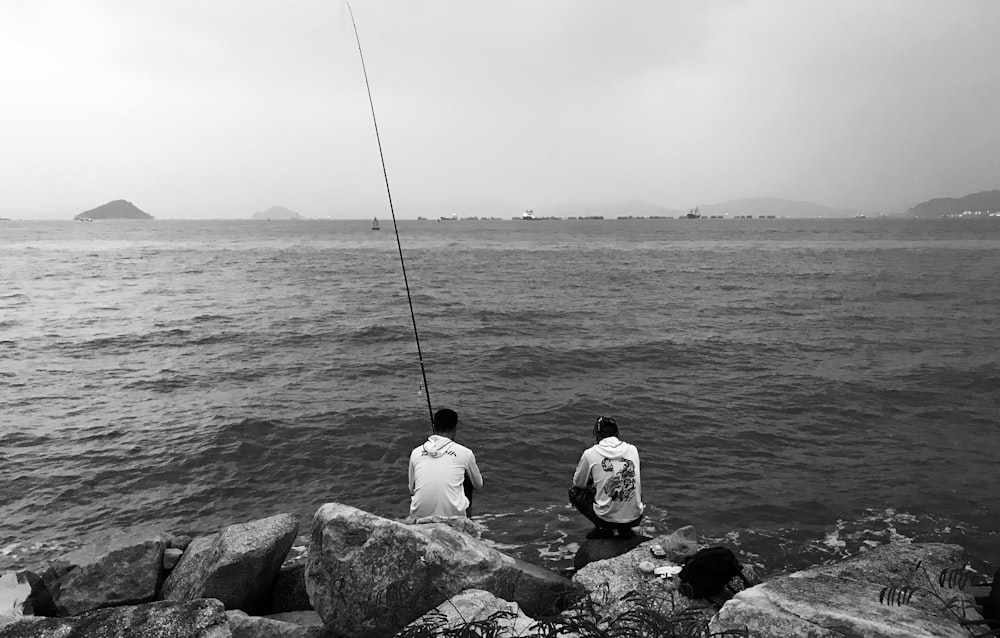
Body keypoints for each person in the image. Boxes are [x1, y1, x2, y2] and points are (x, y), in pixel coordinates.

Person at [569, 415, 645, 539]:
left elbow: (578, 484)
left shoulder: (590, 453)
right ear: (617, 433)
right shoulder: (632, 449)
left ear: (597, 435)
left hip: (605, 520)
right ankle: (625, 530)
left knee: (574, 492)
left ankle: (603, 529)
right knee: (633, 484)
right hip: (635, 518)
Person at [408, 408, 483, 519]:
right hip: (453, 517)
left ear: (434, 427)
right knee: (467, 479)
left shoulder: (416, 452)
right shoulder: (465, 453)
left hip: (419, 516)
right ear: (454, 428)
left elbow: (411, 489)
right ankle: (466, 522)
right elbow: (478, 484)